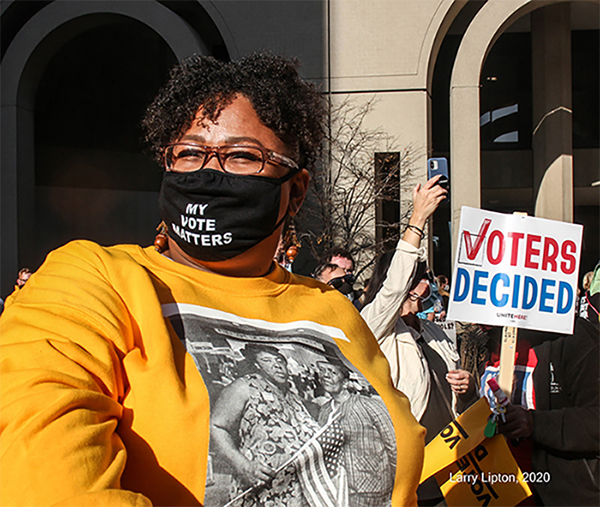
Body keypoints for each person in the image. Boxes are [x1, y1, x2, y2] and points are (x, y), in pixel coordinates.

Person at [0, 53, 424, 507]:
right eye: (189, 153)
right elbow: (45, 475)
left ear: (295, 191)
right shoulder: (93, 281)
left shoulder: (334, 311)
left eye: (242, 156)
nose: (208, 172)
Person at [495, 263, 600, 506]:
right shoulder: (494, 339)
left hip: (568, 492)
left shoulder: (582, 341)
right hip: (506, 485)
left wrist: (534, 423)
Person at [210, 344, 319, 506]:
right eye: (267, 360)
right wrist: (243, 466)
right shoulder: (244, 387)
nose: (277, 365)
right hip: (259, 490)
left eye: (280, 360)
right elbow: (216, 427)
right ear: (256, 365)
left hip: (294, 492)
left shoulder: (293, 397)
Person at [317, 357, 397, 507]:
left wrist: (400, 485)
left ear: (346, 382)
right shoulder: (324, 411)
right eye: (322, 371)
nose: (325, 376)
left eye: (332, 372)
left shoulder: (369, 406)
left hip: (375, 488)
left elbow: (393, 445)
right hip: (342, 490)